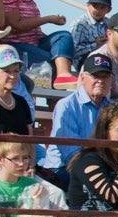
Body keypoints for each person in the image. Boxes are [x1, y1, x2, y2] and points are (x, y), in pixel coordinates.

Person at [0, 0, 77, 89]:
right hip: (17, 46)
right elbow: (17, 25)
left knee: (64, 37)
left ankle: (63, 74)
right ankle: (54, 97)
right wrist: (48, 19)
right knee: (48, 60)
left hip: (35, 42)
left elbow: (32, 27)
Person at [42, 52, 113, 186]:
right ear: (82, 77)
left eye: (105, 76)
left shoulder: (112, 108)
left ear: (111, 80)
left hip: (98, 167)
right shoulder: (66, 105)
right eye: (95, 75)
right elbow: (71, 155)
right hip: (62, 169)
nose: (100, 80)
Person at [0, 43, 33, 135]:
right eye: (7, 71)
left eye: (16, 71)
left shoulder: (22, 102)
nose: (13, 76)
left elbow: (30, 142)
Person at [68, 0, 110, 67]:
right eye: (95, 6)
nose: (98, 10)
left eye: (102, 7)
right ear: (88, 5)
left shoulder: (109, 24)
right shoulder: (80, 24)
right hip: (84, 64)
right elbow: (73, 52)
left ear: (108, 10)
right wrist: (95, 45)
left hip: (105, 61)